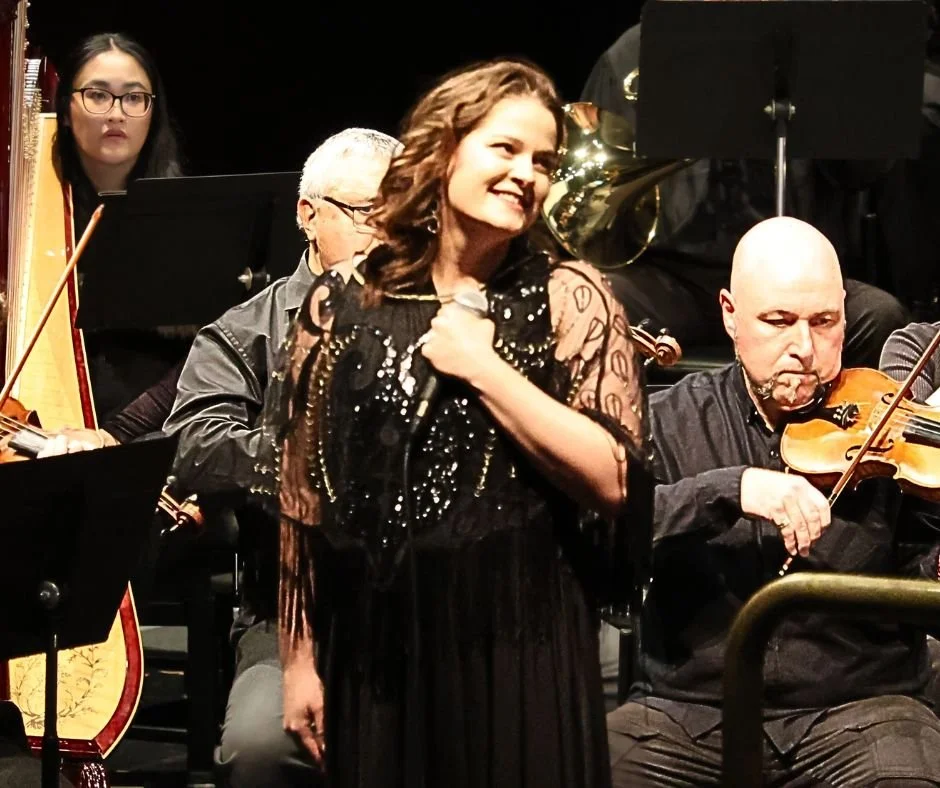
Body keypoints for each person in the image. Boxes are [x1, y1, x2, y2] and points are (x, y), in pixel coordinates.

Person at [267, 58, 644, 788]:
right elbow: (300, 492)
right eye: (506, 149)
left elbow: (614, 479)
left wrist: (484, 368)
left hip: (522, 644)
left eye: (544, 161)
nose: (527, 174)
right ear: (443, 150)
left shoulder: (570, 296)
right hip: (379, 650)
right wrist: (300, 660)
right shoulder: (344, 303)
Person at [607, 215, 940, 787]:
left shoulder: (891, 429)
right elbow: (610, 538)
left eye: (824, 322)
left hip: (861, 713)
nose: (804, 348)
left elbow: (921, 581)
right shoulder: (669, 419)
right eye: (778, 322)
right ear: (729, 314)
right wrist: (729, 489)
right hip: (685, 716)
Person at [163, 127, 401, 787]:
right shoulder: (246, 331)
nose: (386, 234)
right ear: (308, 215)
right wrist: (308, 455)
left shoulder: (443, 319)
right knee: (261, 746)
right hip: (290, 614)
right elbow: (192, 447)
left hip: (425, 606)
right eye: (366, 213)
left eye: (403, 215)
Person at [579, 20, 909, 369]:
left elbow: (862, 172)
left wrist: (825, 88)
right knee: (589, 301)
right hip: (673, 280)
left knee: (879, 316)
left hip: (795, 282)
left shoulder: (808, 45)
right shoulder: (635, 53)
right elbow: (596, 199)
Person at [53, 31, 188, 428]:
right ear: (65, 110)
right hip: (51, 420)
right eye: (97, 95)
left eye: (133, 98)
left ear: (152, 113)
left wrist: (120, 431)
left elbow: (205, 357)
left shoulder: (185, 217)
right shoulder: (31, 215)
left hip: (151, 429)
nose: (116, 113)